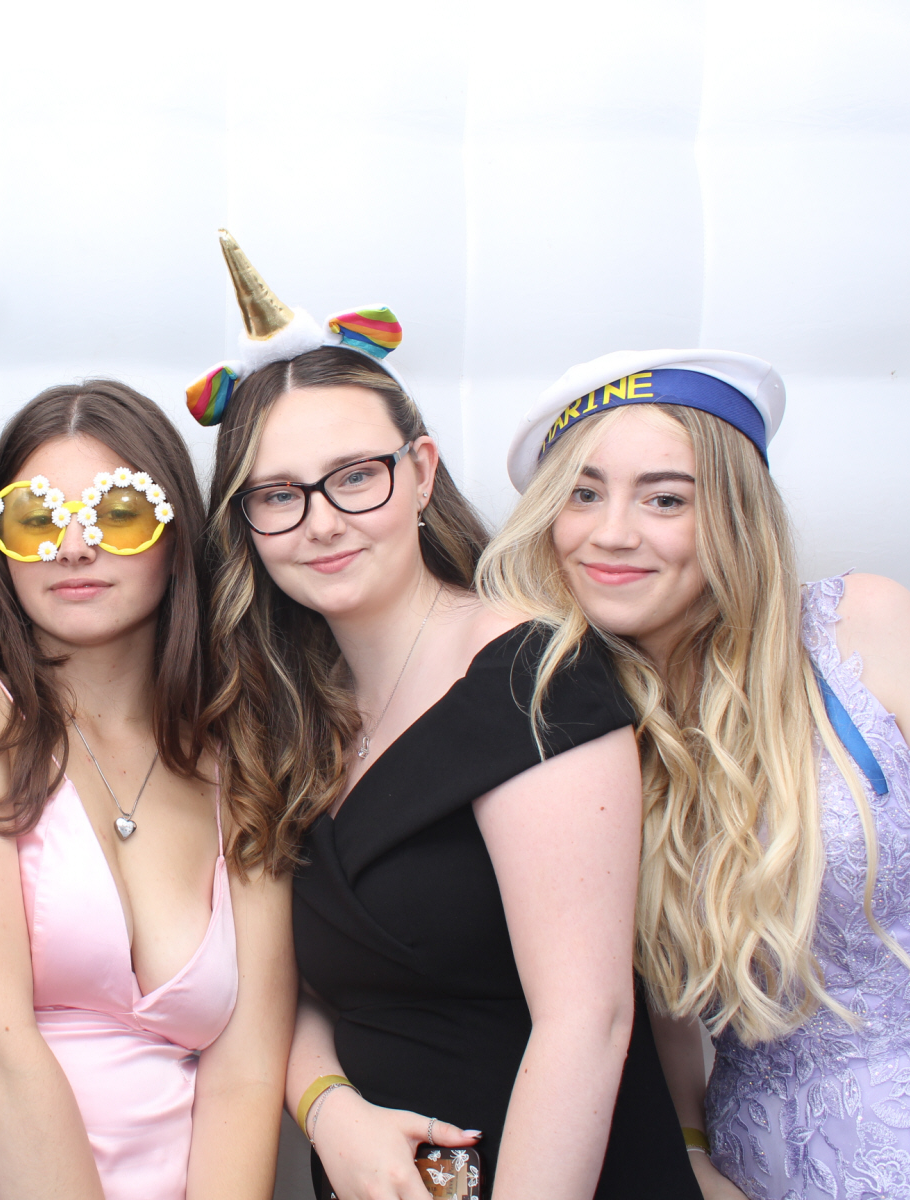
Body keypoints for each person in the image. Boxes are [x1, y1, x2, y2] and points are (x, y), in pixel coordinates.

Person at [193, 234, 701, 1200]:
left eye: (356, 475)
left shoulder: (536, 677)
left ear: (421, 471)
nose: (322, 521)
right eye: (279, 495)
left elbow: (586, 1022)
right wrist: (330, 1112)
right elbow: (298, 992)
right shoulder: (283, 715)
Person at [484, 350, 910, 1200]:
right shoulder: (570, 729)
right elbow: (651, 1004)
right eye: (583, 494)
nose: (612, 532)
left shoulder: (860, 629)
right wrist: (691, 1154)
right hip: (769, 1168)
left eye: (665, 499)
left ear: (733, 514)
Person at [0, 380, 295, 1200]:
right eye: (35, 519)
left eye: (118, 514)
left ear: (176, 533)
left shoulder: (237, 748)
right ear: (0, 543)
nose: (72, 547)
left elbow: (247, 1070)